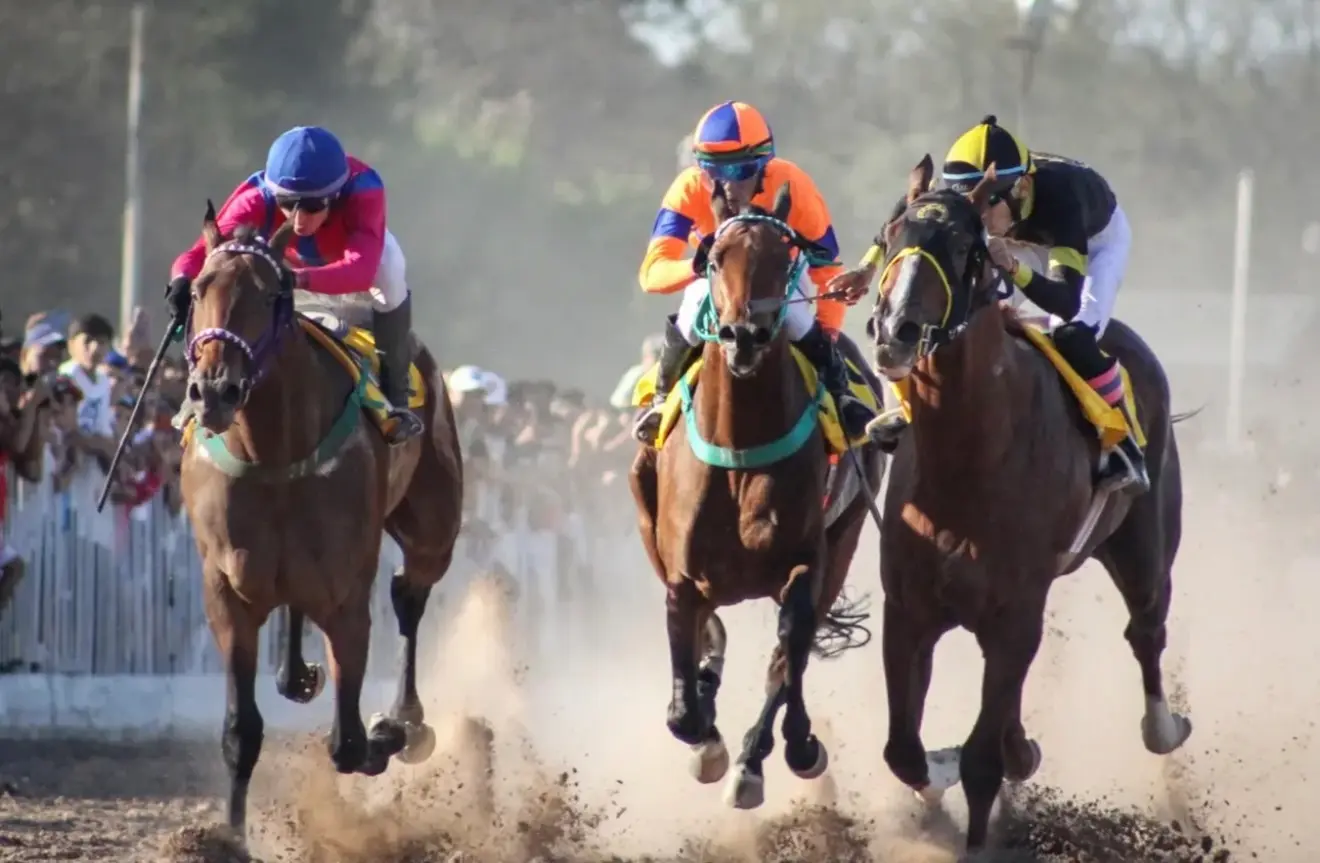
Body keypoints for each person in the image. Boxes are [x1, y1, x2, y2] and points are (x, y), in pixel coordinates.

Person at [837, 115, 1147, 495]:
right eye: (971, 202)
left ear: (1022, 188)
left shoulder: (1062, 204)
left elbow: (1065, 301)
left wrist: (1013, 267)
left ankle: (1125, 440)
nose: (977, 214)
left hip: (1094, 241)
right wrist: (867, 267)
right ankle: (911, 410)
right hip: (1018, 236)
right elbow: (905, 216)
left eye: (987, 204)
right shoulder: (972, 196)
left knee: (1072, 334)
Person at [633, 100, 874, 445]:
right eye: (713, 172)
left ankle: (842, 397)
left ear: (764, 163)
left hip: (781, 278)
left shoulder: (794, 185)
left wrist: (829, 338)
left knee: (794, 315)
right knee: (694, 306)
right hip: (715, 277)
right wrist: (695, 266)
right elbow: (652, 272)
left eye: (739, 172)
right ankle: (660, 400)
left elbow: (826, 271)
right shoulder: (687, 188)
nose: (727, 186)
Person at [166, 125, 422, 443]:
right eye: (287, 203)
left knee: (391, 268)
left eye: (313, 207)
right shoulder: (254, 198)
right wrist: (179, 280)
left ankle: (394, 394)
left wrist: (298, 279)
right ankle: (202, 381)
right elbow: (198, 255)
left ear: (336, 196)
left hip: (351, 262)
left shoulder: (365, 190)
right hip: (285, 265)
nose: (298, 220)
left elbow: (361, 270)